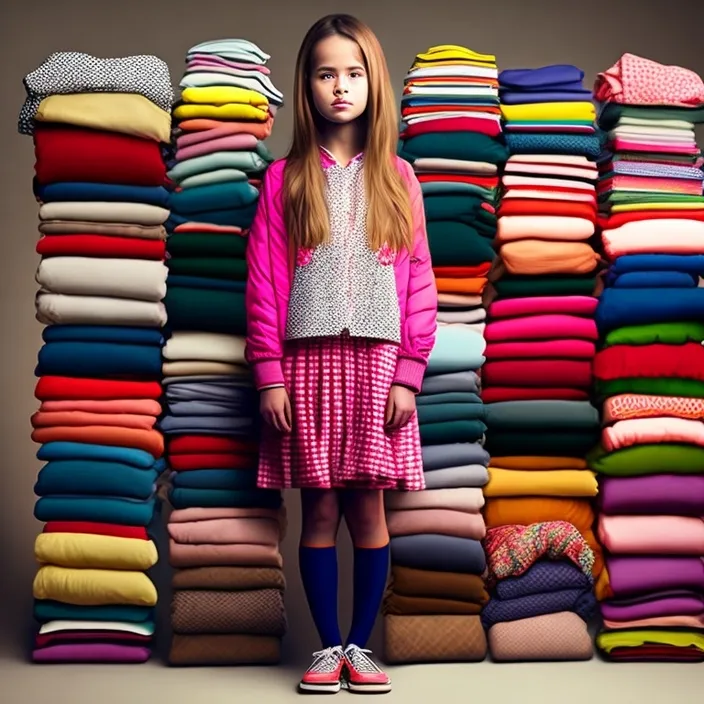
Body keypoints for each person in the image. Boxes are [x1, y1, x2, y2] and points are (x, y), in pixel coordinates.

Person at [244, 12, 437, 695]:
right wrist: (270, 376)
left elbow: (419, 284)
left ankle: (363, 644)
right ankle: (328, 649)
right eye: (326, 73)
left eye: (353, 73)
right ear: (307, 85)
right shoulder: (284, 181)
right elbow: (265, 284)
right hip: (306, 367)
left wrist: (409, 373)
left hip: (381, 366)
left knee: (369, 510)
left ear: (374, 83)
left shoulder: (400, 179)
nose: (340, 86)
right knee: (320, 508)